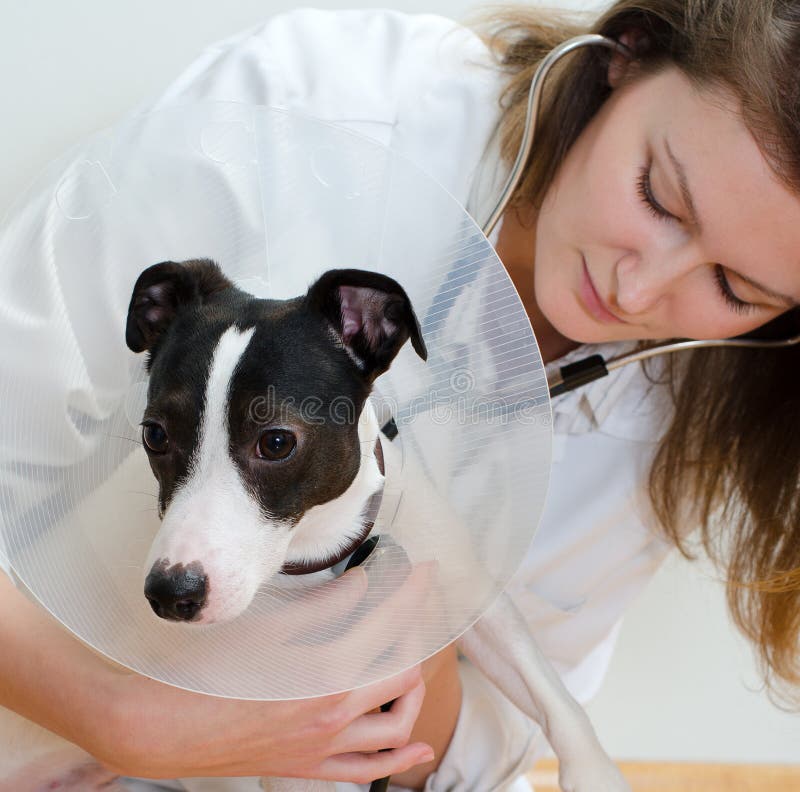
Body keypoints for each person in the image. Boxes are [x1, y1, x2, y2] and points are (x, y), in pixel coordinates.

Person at [1, 1, 799, 790]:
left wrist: (409, 658)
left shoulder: (678, 414)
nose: (636, 289)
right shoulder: (310, 104)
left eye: (736, 289)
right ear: (628, 51)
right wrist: (119, 718)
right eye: (658, 195)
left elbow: (495, 739)